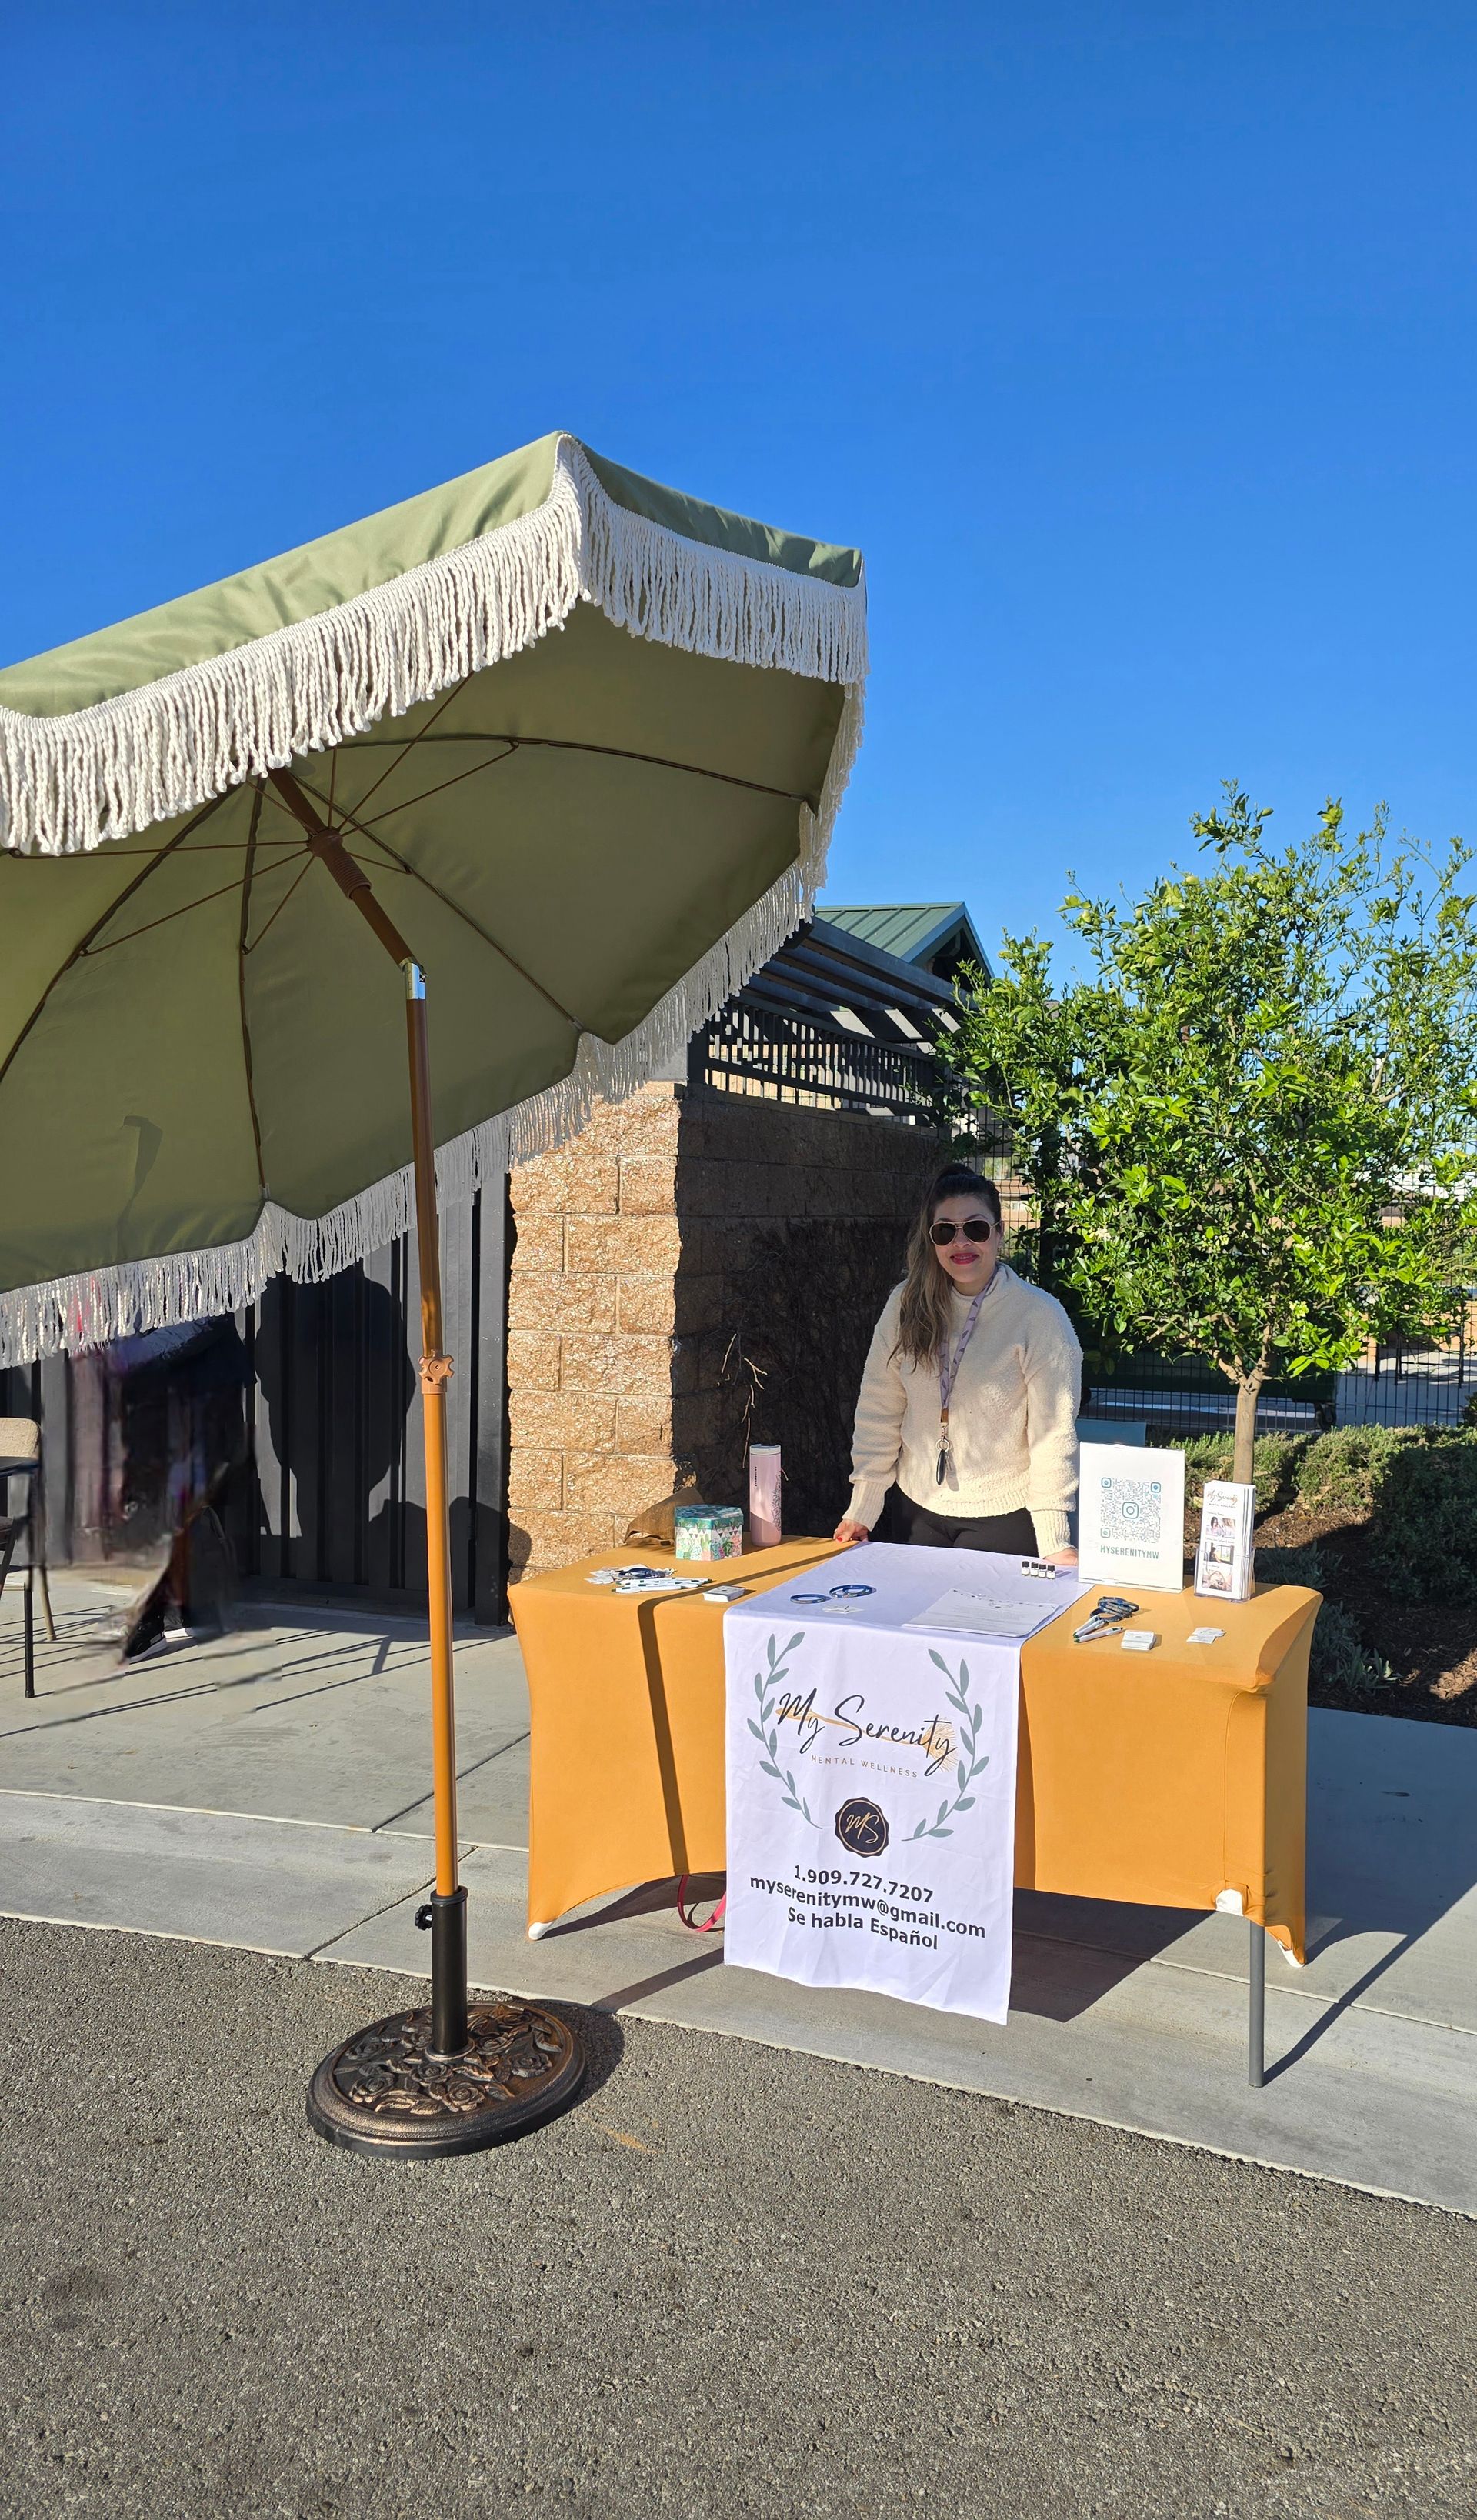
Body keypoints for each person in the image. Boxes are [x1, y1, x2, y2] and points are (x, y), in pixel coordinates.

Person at [833, 1165, 1081, 1562]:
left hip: (1004, 1516)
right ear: (932, 1240)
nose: (961, 1242)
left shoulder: (1039, 1316)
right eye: (945, 1231)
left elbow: (1053, 1434)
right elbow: (880, 1407)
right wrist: (864, 1506)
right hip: (916, 1508)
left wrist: (1055, 1540)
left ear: (999, 1233)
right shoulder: (906, 1304)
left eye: (976, 1229)